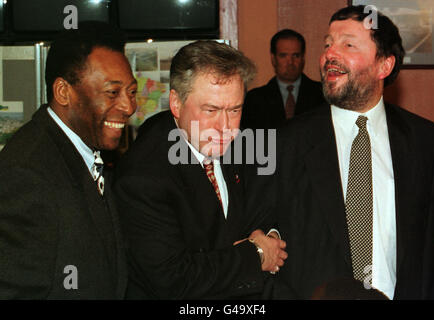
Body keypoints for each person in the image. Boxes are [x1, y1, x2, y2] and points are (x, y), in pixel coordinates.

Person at [271, 6, 434, 299]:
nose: (329, 55)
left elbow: (427, 246)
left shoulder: (422, 139)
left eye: (347, 44)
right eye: (327, 44)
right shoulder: (287, 142)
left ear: (383, 66)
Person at [113, 40, 288, 299]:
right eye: (211, 110)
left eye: (235, 109)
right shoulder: (143, 177)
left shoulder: (239, 143)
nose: (225, 126)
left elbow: (266, 209)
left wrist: (269, 237)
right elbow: (174, 279)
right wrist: (256, 255)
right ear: (176, 103)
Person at [0, 21, 137, 298]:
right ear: (64, 92)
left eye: (131, 92)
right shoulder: (27, 171)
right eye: (112, 92)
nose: (128, 106)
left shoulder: (83, 148)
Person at [241, 29, 325, 129]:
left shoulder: (322, 94)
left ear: (303, 58)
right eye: (283, 56)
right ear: (273, 59)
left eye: (296, 55)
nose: (290, 62)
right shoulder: (254, 100)